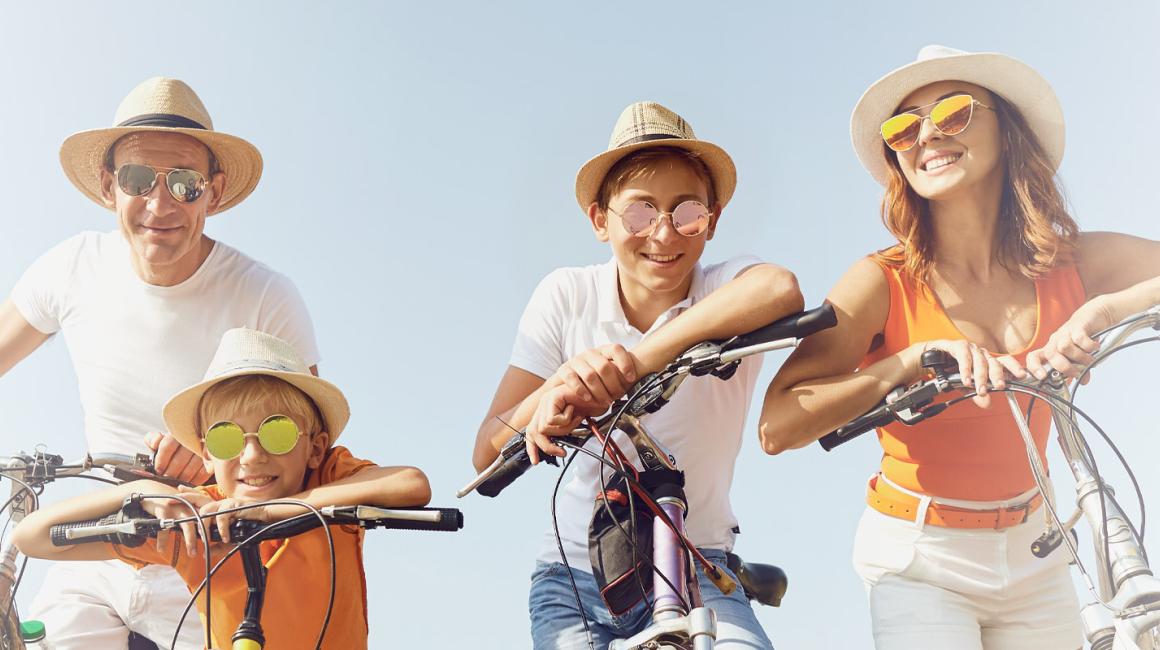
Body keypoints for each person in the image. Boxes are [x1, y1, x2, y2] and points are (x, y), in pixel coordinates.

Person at [759, 45, 1160, 649]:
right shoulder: (881, 280)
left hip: (1037, 548)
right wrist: (905, 363)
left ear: (1006, 128)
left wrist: (1105, 310)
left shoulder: (1070, 262)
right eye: (903, 128)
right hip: (921, 557)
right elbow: (777, 426)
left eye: (953, 113)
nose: (926, 136)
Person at [0, 77, 318, 648]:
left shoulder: (265, 296)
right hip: (99, 543)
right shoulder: (72, 267)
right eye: (138, 179)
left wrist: (216, 455)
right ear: (108, 187)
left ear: (214, 192)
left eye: (185, 184)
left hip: (210, 551)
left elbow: (311, 445)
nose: (160, 204)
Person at [473, 101, 804, 649]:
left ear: (713, 219)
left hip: (698, 562)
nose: (664, 234)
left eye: (687, 212)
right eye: (639, 215)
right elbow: (486, 449)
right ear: (599, 221)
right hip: (575, 578)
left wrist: (636, 362)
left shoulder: (723, 287)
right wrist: (560, 385)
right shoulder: (567, 294)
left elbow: (780, 289)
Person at [13, 328, 431, 650]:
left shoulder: (328, 479)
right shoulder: (196, 519)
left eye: (278, 433)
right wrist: (141, 491)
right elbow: (31, 537)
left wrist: (273, 510)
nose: (252, 456)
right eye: (227, 439)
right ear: (206, 456)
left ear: (315, 449)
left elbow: (411, 483)